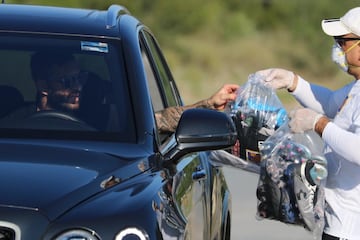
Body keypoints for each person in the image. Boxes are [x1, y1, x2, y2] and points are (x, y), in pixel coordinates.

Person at [256, 7, 360, 240]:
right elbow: (331, 103)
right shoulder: (355, 88)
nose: (337, 47)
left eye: (343, 41)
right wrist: (293, 82)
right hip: (337, 222)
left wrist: (319, 124)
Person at [30, 51, 239, 132]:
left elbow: (160, 120)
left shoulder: (107, 121)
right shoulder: (14, 119)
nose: (77, 86)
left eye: (80, 78)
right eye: (67, 81)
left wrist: (209, 104)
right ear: (43, 86)